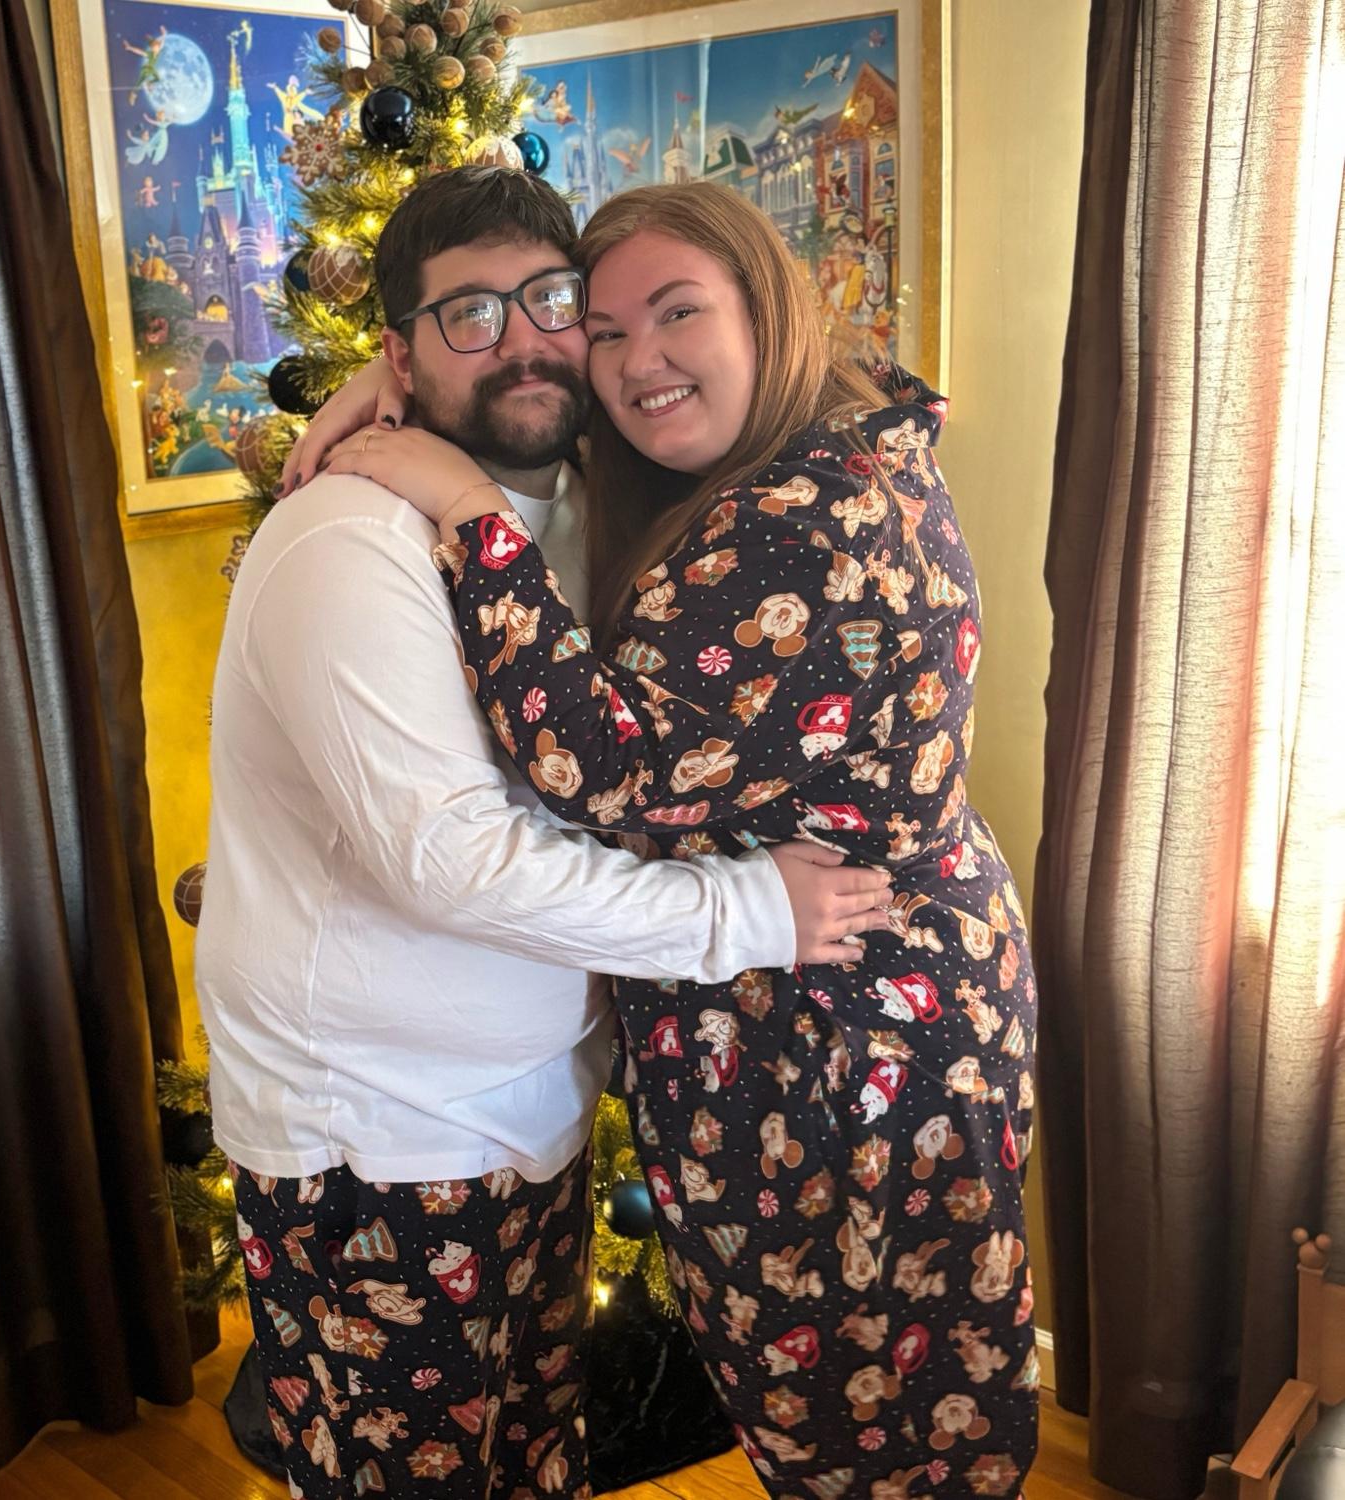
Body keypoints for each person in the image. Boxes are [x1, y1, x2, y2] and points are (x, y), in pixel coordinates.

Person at [312, 178, 1041, 1495]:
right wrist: (403, 373)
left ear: (763, 309)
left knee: (874, 1437)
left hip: (843, 1053)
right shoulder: (830, 436)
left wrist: (467, 506)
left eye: (678, 312)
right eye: (603, 329)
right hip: (865, 1012)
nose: (637, 359)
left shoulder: (809, 520)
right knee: (882, 1411)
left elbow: (602, 767)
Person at [196, 168, 892, 1500]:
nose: (523, 340)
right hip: (381, 1143)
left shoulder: (576, 497)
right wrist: (750, 911)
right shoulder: (350, 541)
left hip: (527, 1116)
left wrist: (407, 388)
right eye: (469, 314)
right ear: (402, 351)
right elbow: (451, 861)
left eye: (552, 302)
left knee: (531, 1465)